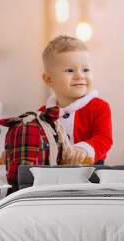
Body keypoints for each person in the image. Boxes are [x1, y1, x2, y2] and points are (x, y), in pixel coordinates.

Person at [40, 35, 113, 165]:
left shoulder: (99, 107)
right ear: (49, 79)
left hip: (90, 176)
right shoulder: (42, 115)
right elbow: (34, 141)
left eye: (85, 69)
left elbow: (104, 139)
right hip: (53, 177)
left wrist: (84, 149)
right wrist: (14, 150)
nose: (80, 75)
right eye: (70, 70)